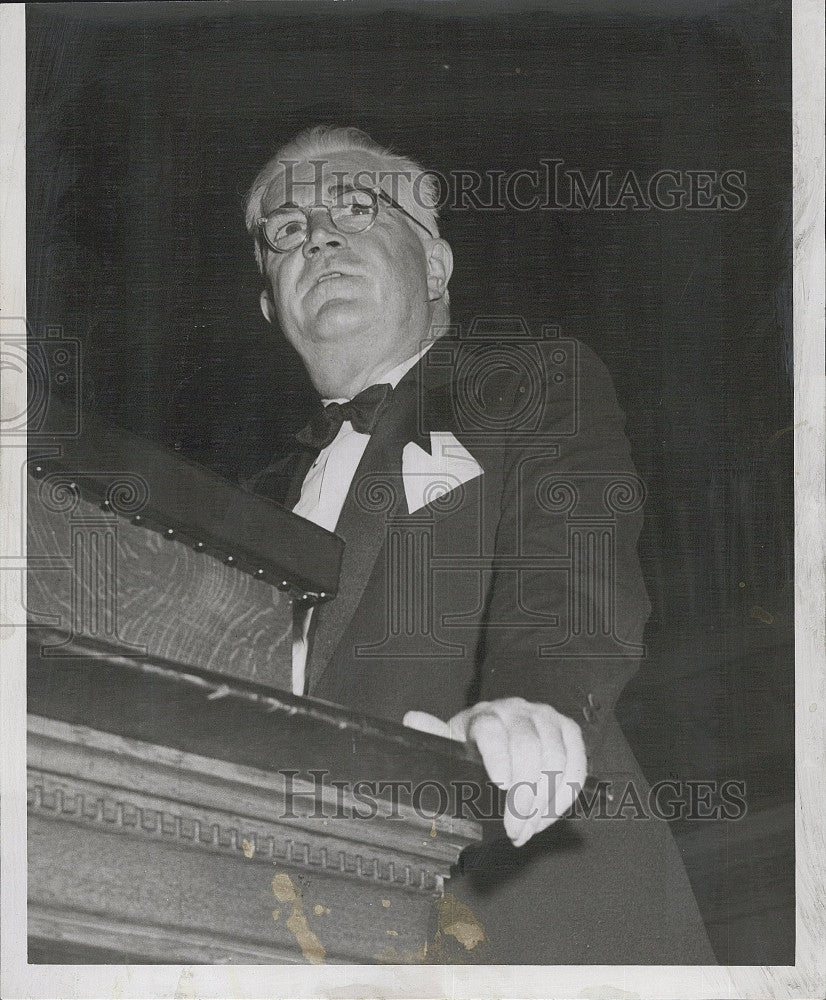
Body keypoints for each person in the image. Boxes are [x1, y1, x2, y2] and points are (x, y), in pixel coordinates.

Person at [244, 125, 715, 963]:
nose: (316, 236)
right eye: (285, 231)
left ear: (434, 267)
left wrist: (536, 704)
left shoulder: (526, 381)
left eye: (355, 208)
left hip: (513, 919)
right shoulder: (238, 508)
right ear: (271, 302)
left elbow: (569, 564)